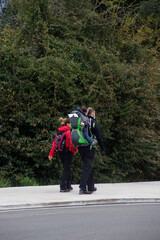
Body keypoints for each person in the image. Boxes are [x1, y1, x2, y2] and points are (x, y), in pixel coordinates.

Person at [79, 107, 105, 194]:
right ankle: (82, 187)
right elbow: (99, 137)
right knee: (87, 166)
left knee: (88, 166)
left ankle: (91, 186)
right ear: (92, 114)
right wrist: (102, 149)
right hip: (89, 147)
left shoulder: (82, 122)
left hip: (80, 147)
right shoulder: (93, 123)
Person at [48, 117, 78, 192]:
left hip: (61, 152)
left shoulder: (59, 132)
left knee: (66, 167)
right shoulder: (69, 132)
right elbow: (71, 143)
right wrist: (76, 149)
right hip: (68, 152)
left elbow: (55, 143)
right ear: (68, 124)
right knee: (67, 168)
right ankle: (63, 187)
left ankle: (68, 185)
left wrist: (51, 153)